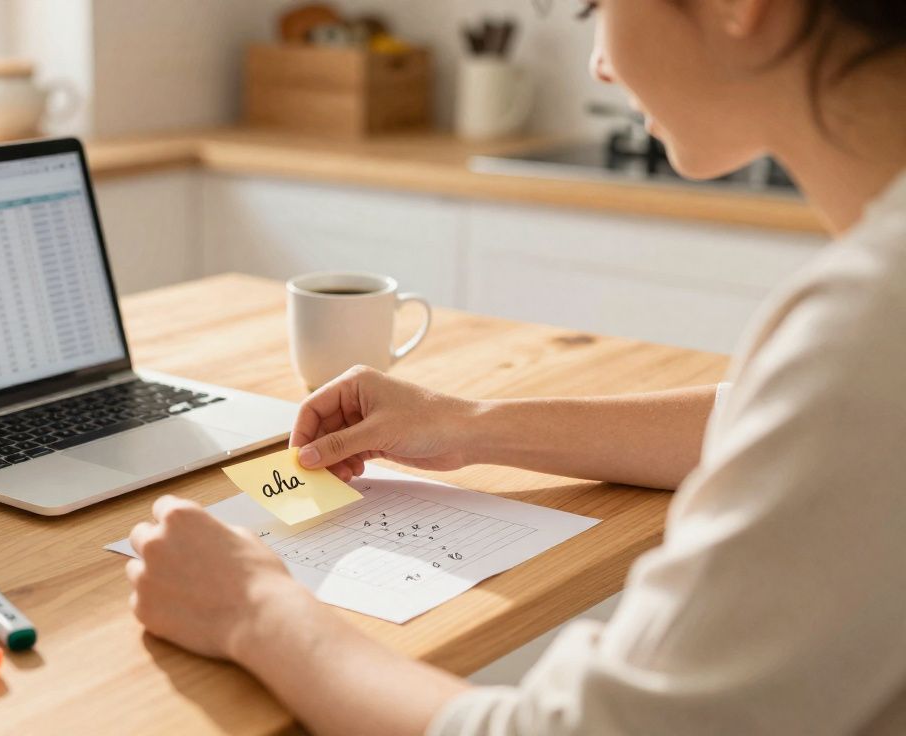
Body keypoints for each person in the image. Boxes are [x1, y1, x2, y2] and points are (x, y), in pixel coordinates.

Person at [124, 0, 906, 733]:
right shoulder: (864, 338)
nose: (600, 64)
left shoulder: (868, 327)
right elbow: (782, 422)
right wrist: (467, 425)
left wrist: (257, 608)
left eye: (598, 7)